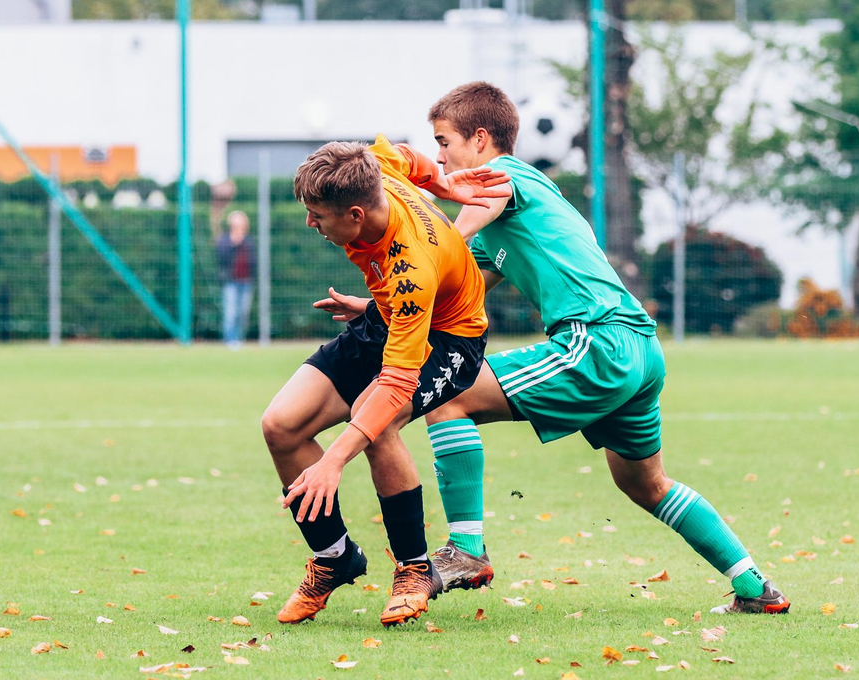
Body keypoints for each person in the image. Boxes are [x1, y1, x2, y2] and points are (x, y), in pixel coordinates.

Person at [314, 82, 789, 615]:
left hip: (597, 340)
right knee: (646, 484)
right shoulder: (511, 214)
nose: (439, 157)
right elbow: (455, 286)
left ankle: (466, 549)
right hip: (638, 346)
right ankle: (756, 588)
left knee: (451, 396)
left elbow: (447, 240)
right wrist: (375, 307)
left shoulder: (504, 176)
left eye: (444, 142)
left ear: (480, 139)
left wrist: (417, 225)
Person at [262, 135, 511, 627]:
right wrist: (444, 185)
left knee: (377, 421)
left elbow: (396, 384)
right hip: (390, 315)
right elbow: (404, 153)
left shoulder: (411, 267)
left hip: (449, 338)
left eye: (317, 214)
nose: (310, 223)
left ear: (355, 215)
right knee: (281, 425)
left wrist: (333, 462)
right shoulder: (372, 168)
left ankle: (414, 569)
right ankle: (335, 558)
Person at [217, 210, 255, 349]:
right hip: (231, 281)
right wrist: (233, 244)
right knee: (231, 312)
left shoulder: (249, 240)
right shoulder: (225, 240)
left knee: (243, 313)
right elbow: (221, 258)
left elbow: (254, 260)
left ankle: (239, 339)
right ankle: (229, 340)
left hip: (246, 281)